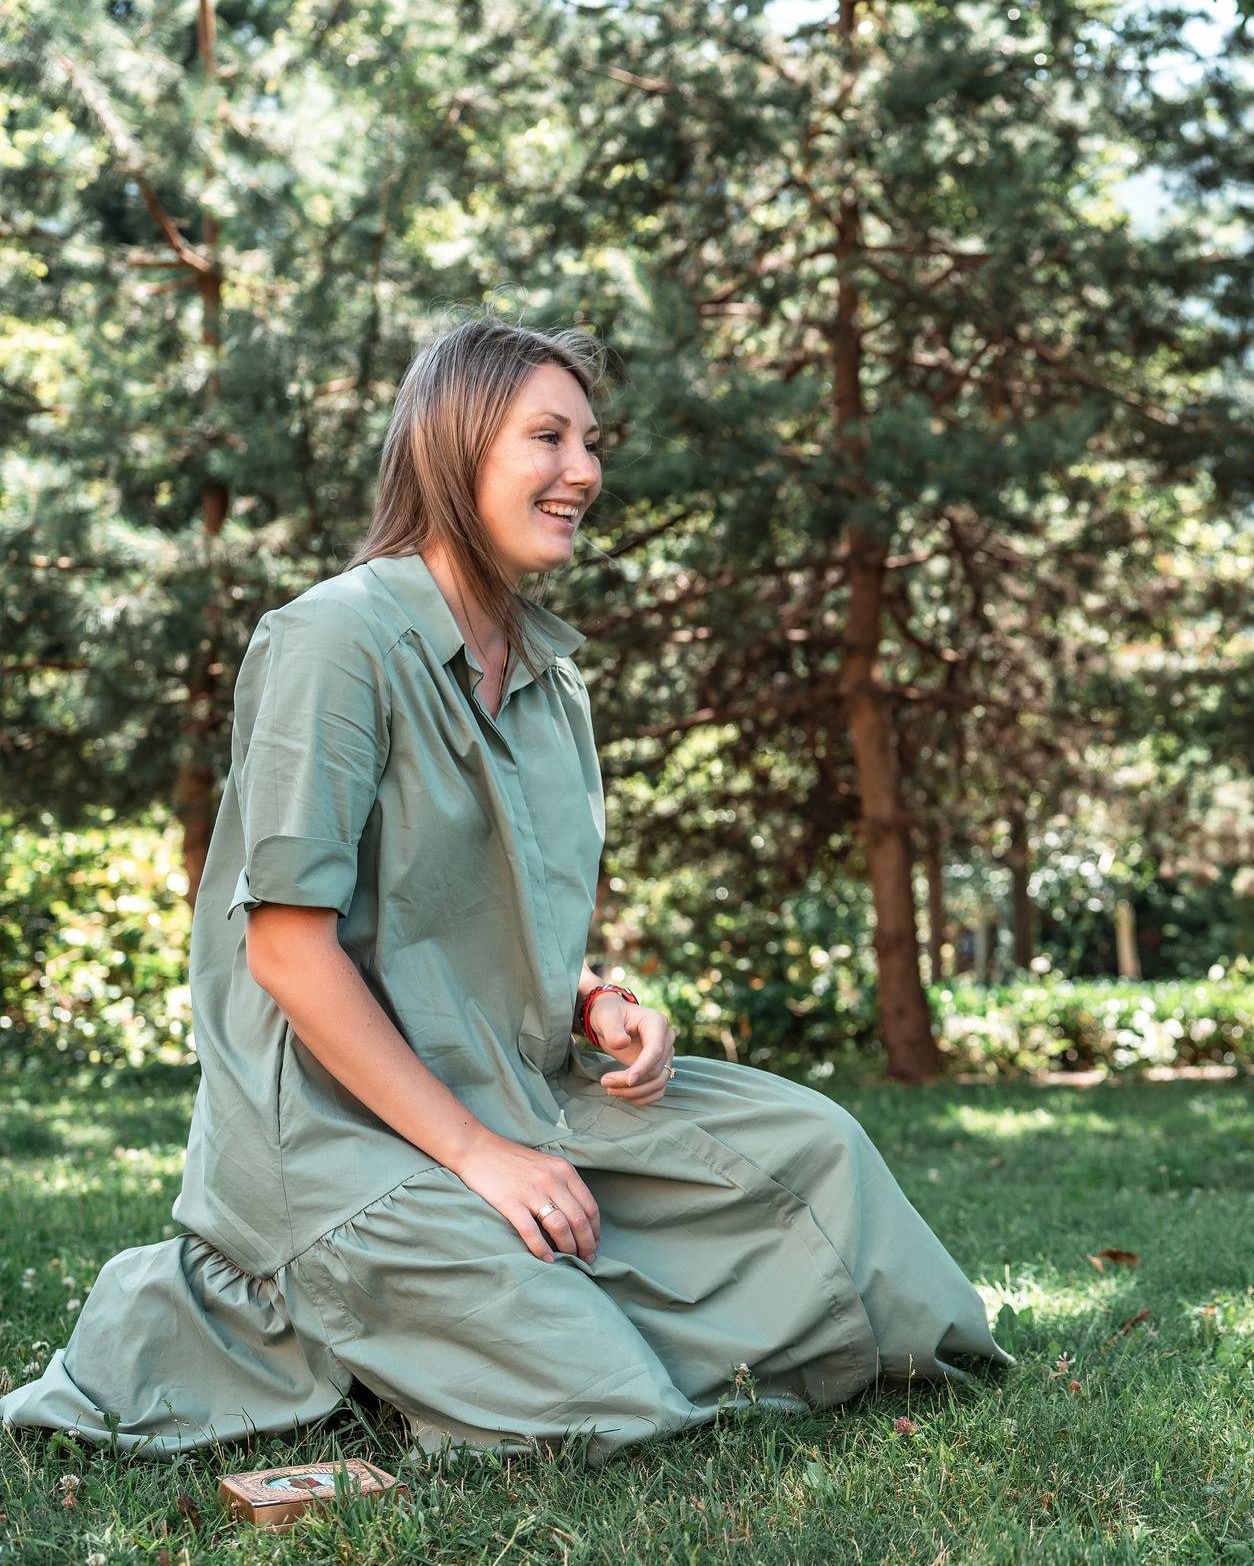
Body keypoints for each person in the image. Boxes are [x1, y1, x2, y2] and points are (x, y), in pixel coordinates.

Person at [3, 321, 1002, 1462]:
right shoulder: (333, 642)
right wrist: (478, 1154)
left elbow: (479, 910)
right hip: (338, 1144)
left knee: (810, 1142)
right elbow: (286, 947)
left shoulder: (548, 674)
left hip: (512, 1088)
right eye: (548, 436)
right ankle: (313, 1333)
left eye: (590, 440)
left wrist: (591, 1003)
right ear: (456, 444)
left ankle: (477, 1335)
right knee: (603, 1400)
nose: (585, 470)